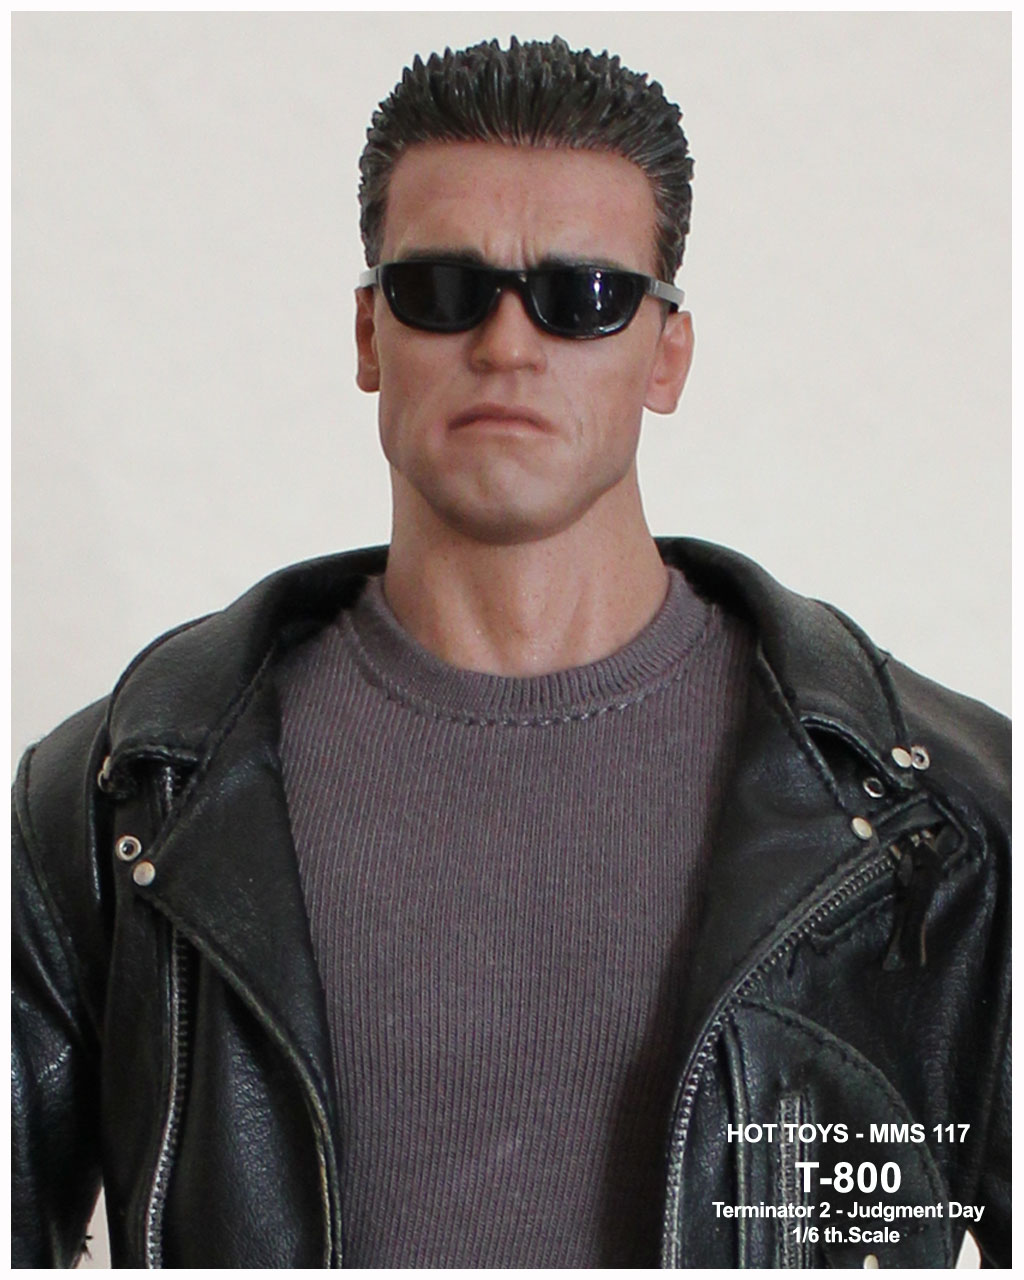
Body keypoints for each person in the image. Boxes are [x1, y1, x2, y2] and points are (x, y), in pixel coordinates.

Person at [12, 35, 1009, 1269]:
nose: (506, 343)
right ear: (369, 332)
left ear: (667, 352)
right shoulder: (116, 803)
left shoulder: (945, 815)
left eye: (581, 296)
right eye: (443, 288)